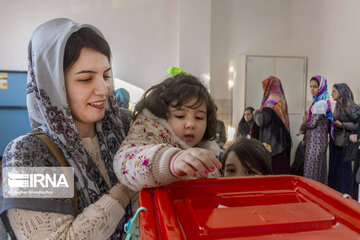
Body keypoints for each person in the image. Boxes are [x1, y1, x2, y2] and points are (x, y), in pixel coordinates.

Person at [0, 18, 135, 239]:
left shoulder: (125, 126)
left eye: (106, 76)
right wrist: (128, 186)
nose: (103, 89)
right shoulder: (29, 155)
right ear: (53, 86)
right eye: (86, 79)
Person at [113, 70, 222, 191]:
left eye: (199, 117)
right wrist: (170, 161)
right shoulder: (149, 131)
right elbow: (124, 162)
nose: (191, 124)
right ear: (163, 115)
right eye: (180, 116)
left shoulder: (207, 149)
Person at [252, 76, 292, 174]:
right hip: (280, 144)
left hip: (272, 145)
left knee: (272, 175)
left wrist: (256, 113)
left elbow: (261, 121)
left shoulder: (271, 101)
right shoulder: (281, 99)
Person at [300, 75, 333, 184]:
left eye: (315, 87)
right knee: (313, 171)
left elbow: (313, 123)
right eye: (310, 86)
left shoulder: (321, 103)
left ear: (321, 87)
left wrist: (303, 125)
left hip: (317, 144)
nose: (312, 89)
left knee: (314, 172)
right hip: (313, 143)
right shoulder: (316, 102)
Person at [328, 83, 359, 194]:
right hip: (335, 143)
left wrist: (342, 125)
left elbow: (357, 125)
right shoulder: (337, 105)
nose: (331, 94)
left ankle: (344, 195)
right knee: (334, 171)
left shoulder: (352, 107)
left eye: (334, 91)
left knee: (343, 173)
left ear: (341, 92)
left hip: (345, 145)